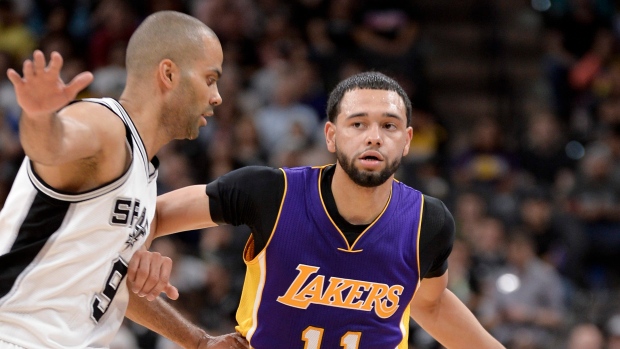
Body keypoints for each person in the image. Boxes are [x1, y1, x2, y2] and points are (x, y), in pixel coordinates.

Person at [136, 71, 505, 348]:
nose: (374, 136)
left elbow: (432, 305)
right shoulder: (270, 192)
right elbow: (150, 215)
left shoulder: (429, 221)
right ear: (330, 135)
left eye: (389, 125)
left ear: (407, 141)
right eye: (358, 123)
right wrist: (139, 251)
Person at [0, 10, 247, 349]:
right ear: (169, 73)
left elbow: (115, 287)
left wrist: (199, 341)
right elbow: (53, 146)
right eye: (209, 78)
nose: (216, 96)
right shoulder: (106, 126)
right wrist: (40, 117)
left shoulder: (142, 175)